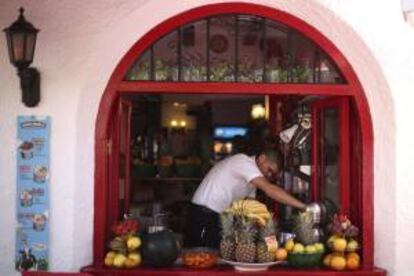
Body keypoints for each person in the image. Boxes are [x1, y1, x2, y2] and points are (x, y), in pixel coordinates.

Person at [183, 148, 307, 248]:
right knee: (200, 260)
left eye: (272, 174)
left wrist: (269, 234)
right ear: (262, 158)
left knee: (213, 261)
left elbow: (251, 209)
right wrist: (304, 207)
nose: (269, 175)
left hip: (215, 218)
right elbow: (270, 190)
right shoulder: (243, 161)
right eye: (269, 170)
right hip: (203, 215)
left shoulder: (252, 180)